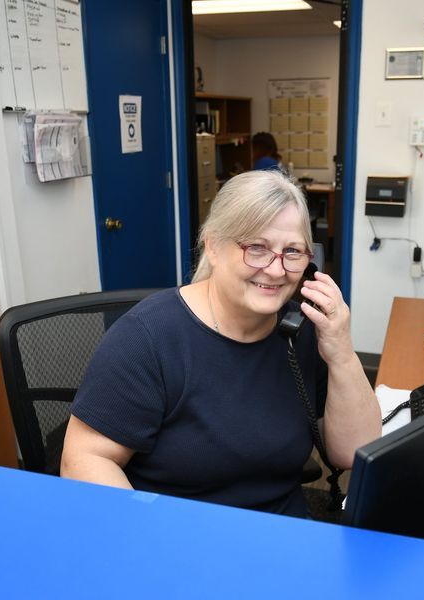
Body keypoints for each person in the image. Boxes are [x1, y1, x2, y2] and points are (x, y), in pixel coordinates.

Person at [61, 170, 381, 518]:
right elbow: (84, 459)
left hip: (279, 534)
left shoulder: (304, 332)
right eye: (257, 248)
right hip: (178, 537)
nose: (276, 270)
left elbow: (353, 453)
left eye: (292, 251)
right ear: (213, 246)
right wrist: (150, 536)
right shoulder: (147, 337)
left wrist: (341, 352)